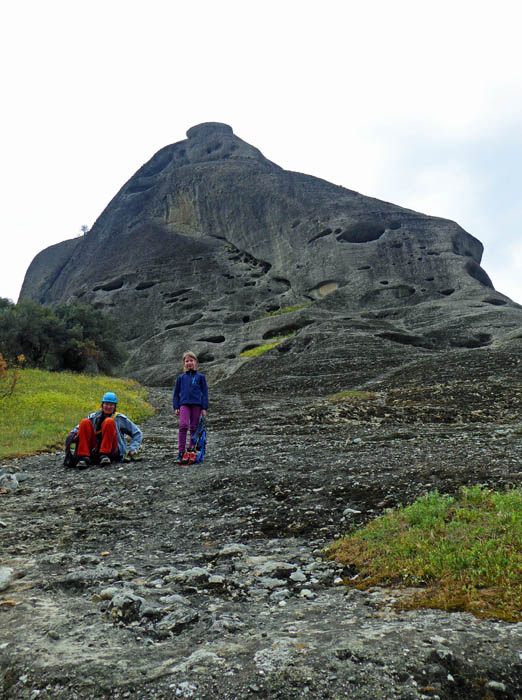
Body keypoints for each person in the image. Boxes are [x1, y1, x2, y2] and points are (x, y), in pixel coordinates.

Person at [64, 391, 143, 468]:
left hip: (112, 452)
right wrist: (71, 437)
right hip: (94, 450)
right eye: (106, 404)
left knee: (109, 421)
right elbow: (76, 430)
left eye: (111, 405)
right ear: (102, 405)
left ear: (115, 406)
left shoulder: (120, 418)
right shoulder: (93, 417)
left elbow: (137, 433)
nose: (108, 407)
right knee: (84, 422)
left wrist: (133, 449)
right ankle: (84, 457)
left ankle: (104, 455)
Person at [172, 351, 208, 464]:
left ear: (195, 362)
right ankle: (181, 452)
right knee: (183, 426)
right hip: (184, 404)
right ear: (184, 364)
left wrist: (204, 407)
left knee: (194, 427)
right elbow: (176, 393)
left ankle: (191, 450)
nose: (189, 363)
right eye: (187, 361)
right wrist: (176, 406)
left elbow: (205, 393)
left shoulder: (201, 377)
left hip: (197, 405)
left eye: (191, 360)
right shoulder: (181, 378)